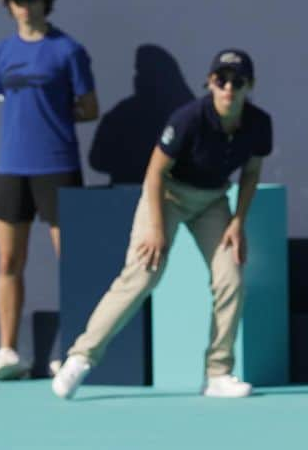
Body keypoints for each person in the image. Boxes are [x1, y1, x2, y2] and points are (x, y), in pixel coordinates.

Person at [52, 49, 271, 400]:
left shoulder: (260, 123)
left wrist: (238, 221)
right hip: (166, 197)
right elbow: (154, 173)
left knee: (231, 277)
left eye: (237, 82)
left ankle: (218, 373)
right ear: (210, 83)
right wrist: (156, 228)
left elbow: (252, 173)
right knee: (142, 274)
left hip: (213, 201)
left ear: (250, 86)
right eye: (221, 80)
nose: (229, 88)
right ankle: (80, 357)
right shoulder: (188, 119)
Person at [0, 0, 98, 380]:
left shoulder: (69, 51)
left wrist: (55, 113)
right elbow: (5, 95)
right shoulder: (2, 52)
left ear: (45, 2)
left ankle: (74, 351)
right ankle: (7, 352)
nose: (24, 7)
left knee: (70, 263)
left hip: (58, 166)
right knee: (8, 261)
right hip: (12, 167)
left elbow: (90, 107)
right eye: (17, 0)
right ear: (10, 5)